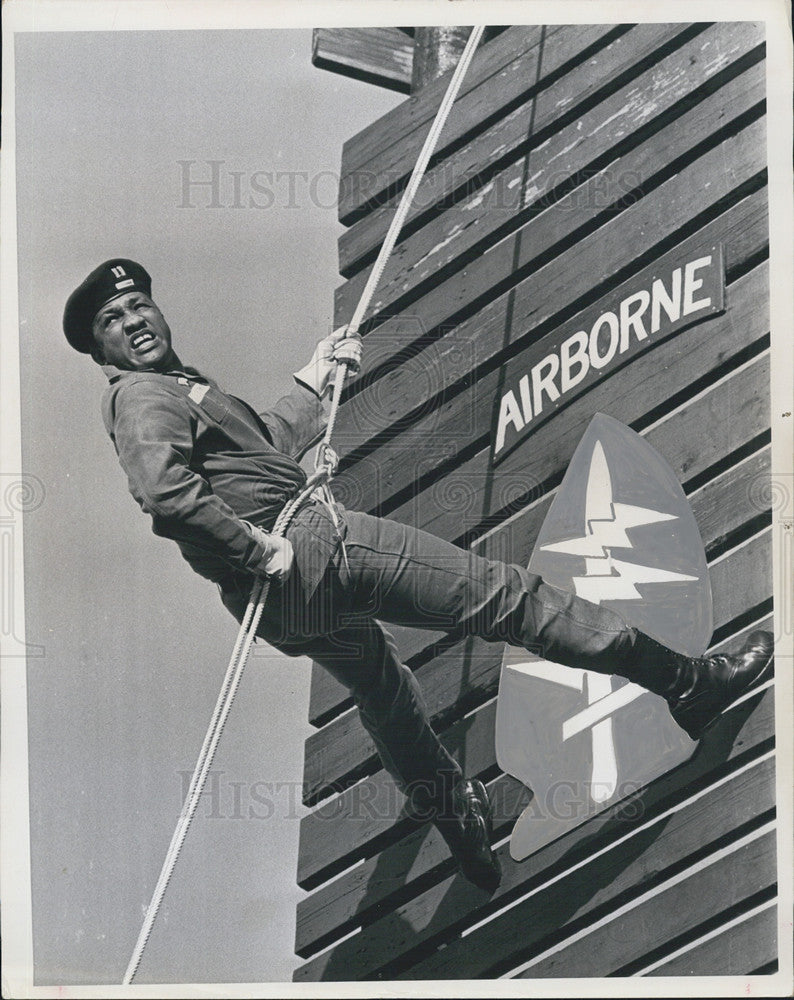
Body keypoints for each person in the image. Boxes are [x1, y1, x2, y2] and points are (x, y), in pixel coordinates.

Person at [64, 258, 774, 893]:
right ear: (103, 352)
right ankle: (686, 684)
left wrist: (316, 383)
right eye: (112, 322)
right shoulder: (141, 396)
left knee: (383, 689)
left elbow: (261, 449)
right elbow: (163, 493)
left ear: (158, 311)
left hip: (287, 607)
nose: (132, 322)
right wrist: (255, 547)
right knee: (504, 597)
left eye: (137, 307)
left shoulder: (181, 389)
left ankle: (454, 814)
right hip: (312, 549)